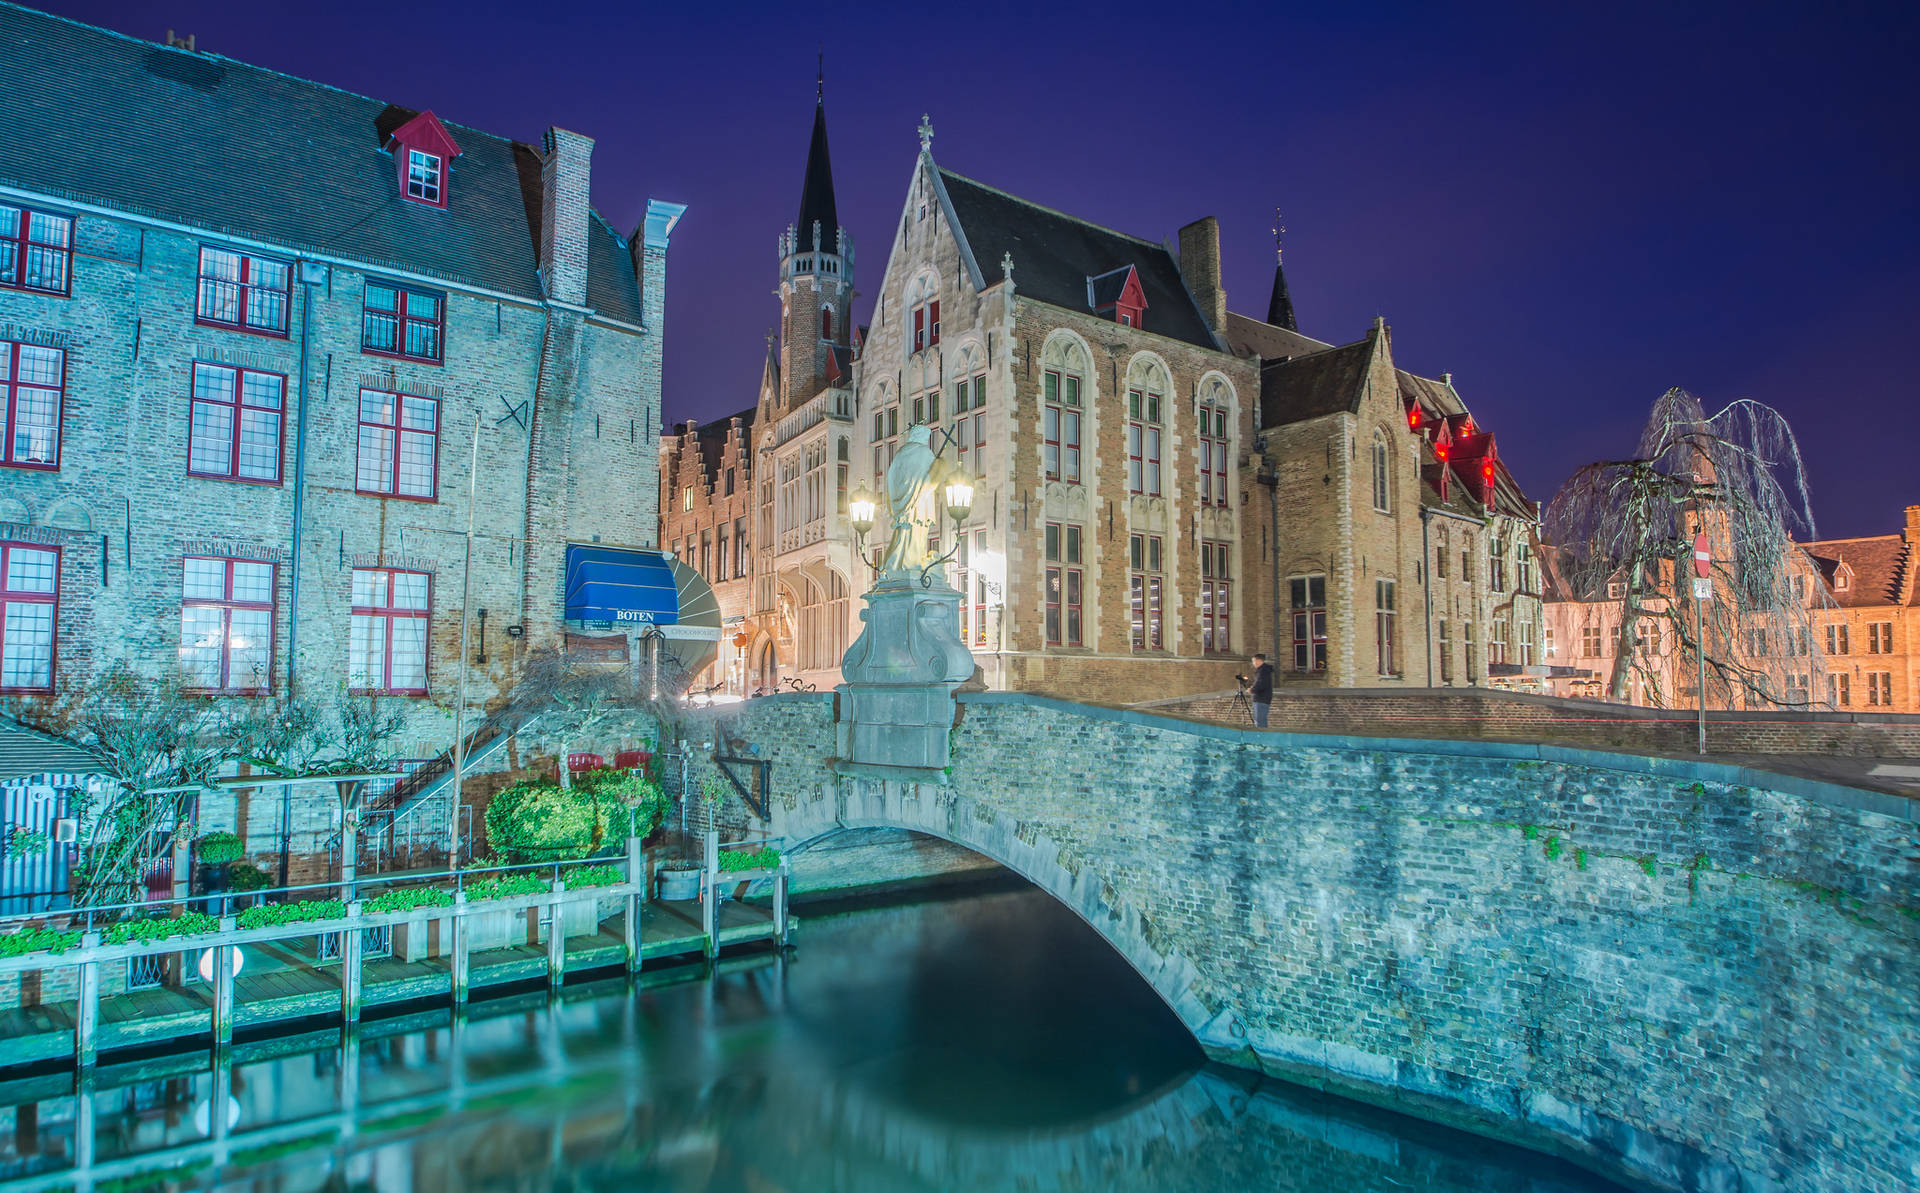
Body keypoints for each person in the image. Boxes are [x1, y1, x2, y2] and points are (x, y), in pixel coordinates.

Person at [1247, 653, 1274, 727]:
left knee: (1260, 722)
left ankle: (1261, 736)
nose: (1253, 663)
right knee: (1261, 720)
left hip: (1261, 699)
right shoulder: (1264, 670)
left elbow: (1260, 684)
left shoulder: (1262, 671)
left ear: (1259, 661)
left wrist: (1252, 690)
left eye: (1254, 661)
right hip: (1263, 698)